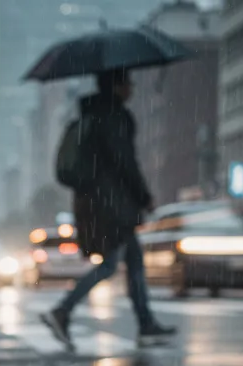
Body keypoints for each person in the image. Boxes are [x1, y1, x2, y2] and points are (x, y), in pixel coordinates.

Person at [40, 68, 175, 347]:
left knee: (134, 260)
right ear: (116, 86)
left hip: (97, 202)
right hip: (112, 205)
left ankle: (145, 321)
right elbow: (125, 162)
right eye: (128, 83)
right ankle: (62, 310)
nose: (133, 89)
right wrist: (143, 195)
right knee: (111, 264)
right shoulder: (113, 118)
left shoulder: (91, 116)